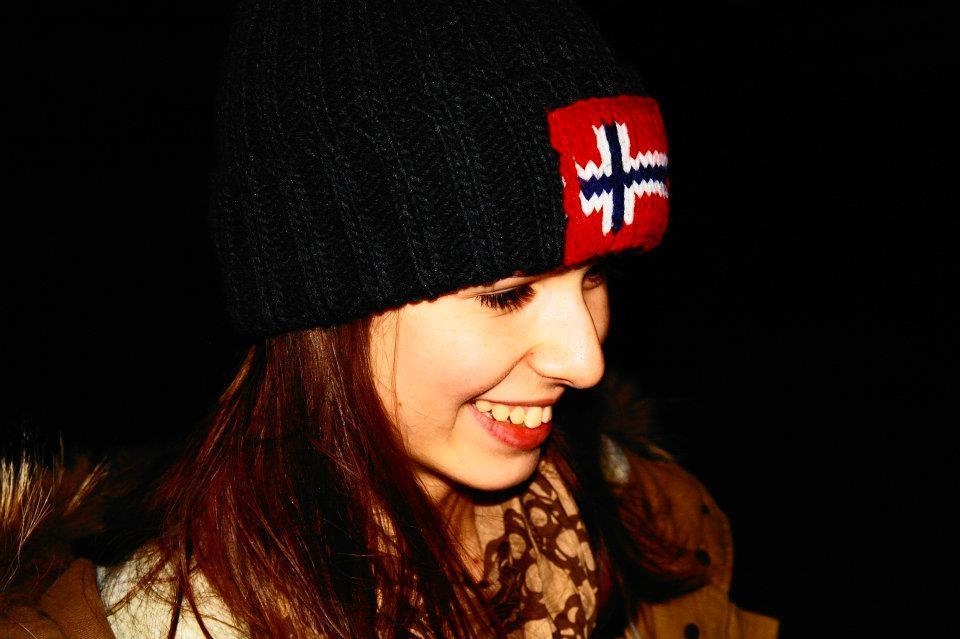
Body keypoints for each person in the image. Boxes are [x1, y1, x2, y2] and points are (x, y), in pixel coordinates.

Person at [1, 0, 778, 637]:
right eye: (507, 293)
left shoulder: (653, 524)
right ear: (320, 302)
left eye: (597, 275)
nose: (586, 361)